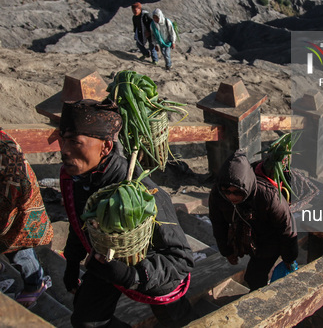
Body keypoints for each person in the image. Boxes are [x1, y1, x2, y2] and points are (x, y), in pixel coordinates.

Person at [58, 99, 195, 328]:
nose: (64, 150)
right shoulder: (78, 177)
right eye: (62, 140)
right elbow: (78, 221)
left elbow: (181, 259)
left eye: (75, 142)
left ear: (106, 147)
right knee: (85, 322)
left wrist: (131, 276)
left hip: (148, 268)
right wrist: (72, 264)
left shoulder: (144, 194)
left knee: (175, 320)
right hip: (103, 261)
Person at [208, 150, 298, 291]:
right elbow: (218, 223)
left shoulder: (268, 197)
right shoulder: (218, 195)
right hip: (244, 235)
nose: (231, 197)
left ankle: (260, 299)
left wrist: (289, 257)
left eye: (237, 192)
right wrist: (227, 251)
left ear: (247, 186)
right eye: (227, 191)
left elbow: (286, 228)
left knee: (253, 276)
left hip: (269, 239)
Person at [0, 129, 54, 308]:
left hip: (15, 201)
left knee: (19, 244)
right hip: (11, 195)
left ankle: (35, 284)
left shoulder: (6, 156)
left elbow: (15, 184)